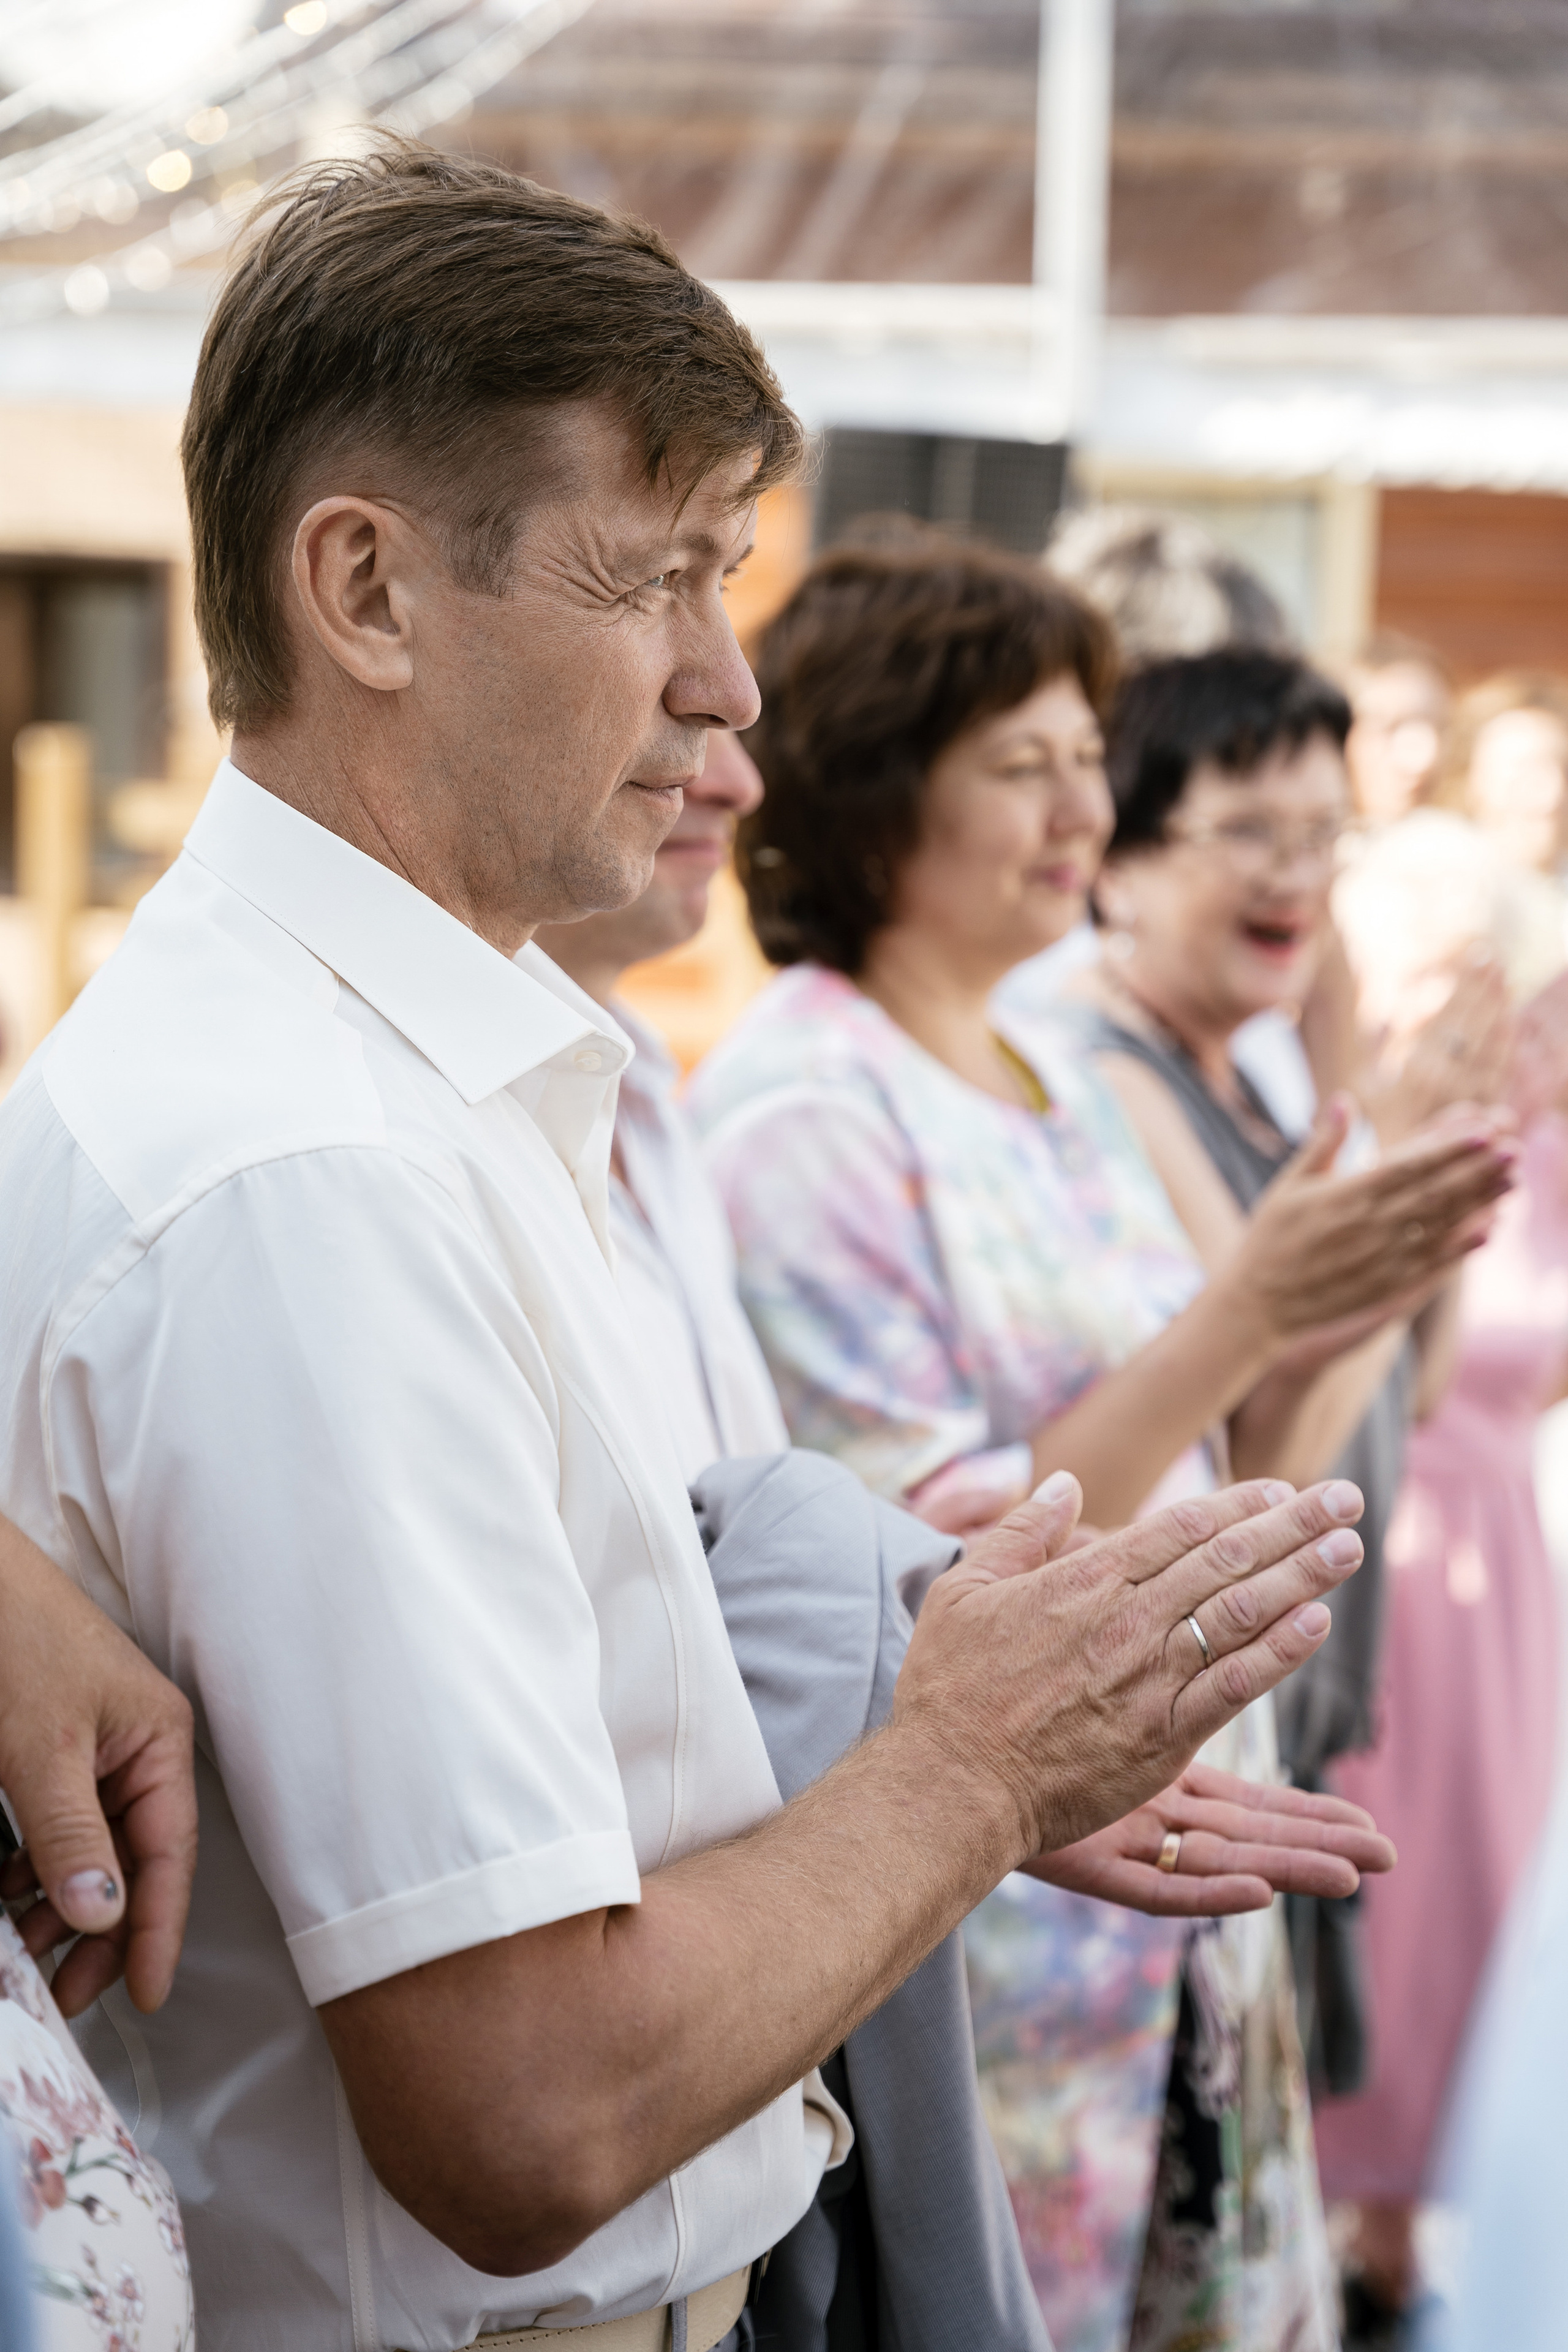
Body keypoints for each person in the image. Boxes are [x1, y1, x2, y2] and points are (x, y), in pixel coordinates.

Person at [0, 141, 1385, 2352]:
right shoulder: (309, 1173)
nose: (724, 687)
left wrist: (937, 1755)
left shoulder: (405, 1086)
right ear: (364, 593)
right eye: (656, 580)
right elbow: (523, 2110)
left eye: (723, 583)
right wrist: (957, 1771)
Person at [687, 533, 1510, 2352]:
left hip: (1174, 1892)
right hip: (1008, 1916)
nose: (1085, 809)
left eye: (1089, 758)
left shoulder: (1033, 1068)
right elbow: (928, 1562)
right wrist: (1252, 1307)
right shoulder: (806, 1106)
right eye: (1026, 765)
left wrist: (1352, 1271)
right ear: (881, 788)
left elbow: (1234, 1453)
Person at [1311, 929, 1568, 2339]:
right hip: (1390, 1548)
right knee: (1380, 1869)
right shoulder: (1378, 1141)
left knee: (1483, 1870)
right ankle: (1345, 2191)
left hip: (1503, 1556)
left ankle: (1417, 2218)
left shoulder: (1554, 1171)